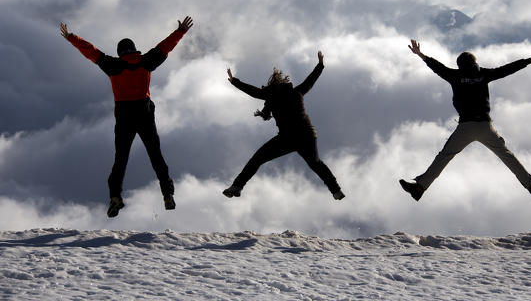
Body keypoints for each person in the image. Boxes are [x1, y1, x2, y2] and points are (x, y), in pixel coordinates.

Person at [59, 17, 193, 217]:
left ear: (120, 52)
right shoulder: (146, 61)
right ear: (134, 49)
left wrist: (71, 37)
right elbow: (165, 47)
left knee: (120, 160)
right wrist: (181, 31)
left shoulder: (112, 65)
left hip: (124, 117)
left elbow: (91, 51)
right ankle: (167, 195)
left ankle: (115, 197)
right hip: (145, 113)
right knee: (156, 156)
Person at [400, 40, 531, 201]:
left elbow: (437, 67)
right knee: (507, 156)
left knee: (445, 156)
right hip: (485, 126)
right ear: (475, 62)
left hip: (465, 127)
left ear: (459, 65)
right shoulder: (483, 74)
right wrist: (530, 60)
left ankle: (419, 188)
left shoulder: (454, 76)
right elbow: (506, 69)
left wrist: (420, 54)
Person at [223, 51, 345, 200]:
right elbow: (311, 80)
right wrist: (320, 65)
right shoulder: (296, 92)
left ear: (271, 87)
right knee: (316, 163)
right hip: (306, 135)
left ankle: (237, 186)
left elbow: (253, 91)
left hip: (287, 138)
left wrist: (234, 81)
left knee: (257, 159)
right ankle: (336, 190)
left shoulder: (271, 95)